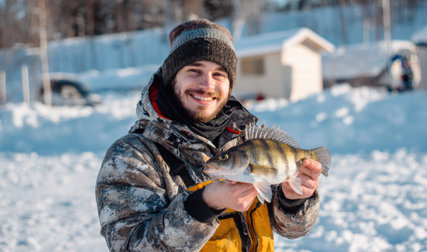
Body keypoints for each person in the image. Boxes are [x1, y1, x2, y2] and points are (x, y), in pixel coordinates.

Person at [95, 19, 322, 252]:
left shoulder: (245, 141)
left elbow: (292, 228)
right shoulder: (131, 156)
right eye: (194, 71)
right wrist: (204, 205)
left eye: (219, 74)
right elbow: (130, 247)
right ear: (171, 76)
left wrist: (293, 200)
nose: (207, 85)